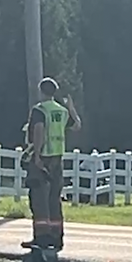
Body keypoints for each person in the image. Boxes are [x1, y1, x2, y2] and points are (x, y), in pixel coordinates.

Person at [22, 77, 80, 250]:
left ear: (41, 91)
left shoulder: (39, 110)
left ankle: (41, 237)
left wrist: (37, 156)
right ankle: (56, 236)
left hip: (44, 157)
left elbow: (39, 131)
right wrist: (71, 108)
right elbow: (77, 125)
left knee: (39, 200)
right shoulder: (61, 111)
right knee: (54, 199)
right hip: (58, 158)